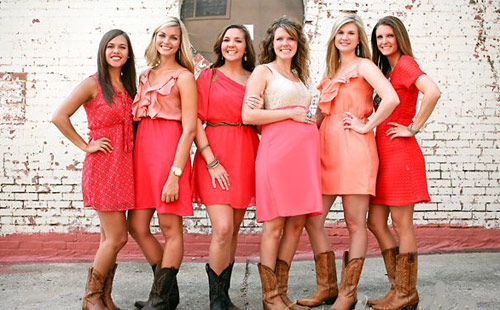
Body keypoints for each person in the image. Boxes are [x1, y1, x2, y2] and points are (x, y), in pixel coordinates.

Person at [296, 14, 399, 310]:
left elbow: (390, 98)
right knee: (313, 219)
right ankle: (327, 287)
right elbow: (318, 115)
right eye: (340, 32)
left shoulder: (364, 65)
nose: (345, 37)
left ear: (358, 38)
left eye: (350, 33)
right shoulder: (331, 71)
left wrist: (367, 125)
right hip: (325, 149)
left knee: (355, 223)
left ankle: (347, 293)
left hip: (355, 149)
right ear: (333, 37)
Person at [52, 29, 136, 310]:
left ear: (128, 54)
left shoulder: (129, 86)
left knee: (107, 238)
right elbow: (59, 116)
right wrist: (85, 145)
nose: (116, 51)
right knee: (118, 237)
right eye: (110, 46)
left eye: (122, 47)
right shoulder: (93, 84)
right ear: (103, 51)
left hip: (125, 168)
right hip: (103, 168)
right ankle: (90, 298)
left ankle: (104, 296)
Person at [242, 16, 322, 310]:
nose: (285, 43)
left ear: (297, 43)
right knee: (274, 225)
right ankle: (269, 296)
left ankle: (281, 290)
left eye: (290, 38)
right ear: (271, 44)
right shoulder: (263, 72)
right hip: (277, 155)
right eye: (279, 39)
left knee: (297, 223)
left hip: (303, 159)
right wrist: (289, 114)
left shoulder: (299, 77)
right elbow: (248, 116)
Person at [366, 16, 441, 310]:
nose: (384, 42)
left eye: (389, 36)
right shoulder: (387, 69)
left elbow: (432, 91)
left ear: (399, 37)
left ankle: (406, 292)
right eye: (379, 37)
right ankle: (399, 288)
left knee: (401, 223)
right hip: (382, 154)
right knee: (374, 221)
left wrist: (413, 128)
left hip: (400, 154)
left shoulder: (406, 64)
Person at [128, 17, 197, 310]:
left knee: (170, 229)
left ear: (181, 43)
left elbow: (190, 129)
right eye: (162, 36)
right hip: (142, 157)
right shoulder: (144, 76)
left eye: (173, 37)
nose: (166, 42)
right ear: (155, 38)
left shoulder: (184, 77)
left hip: (170, 156)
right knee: (137, 225)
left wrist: (175, 173)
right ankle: (167, 294)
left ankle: (158, 300)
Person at [192, 24, 259, 310]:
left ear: (246, 47)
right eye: (227, 40)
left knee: (233, 230)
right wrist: (211, 161)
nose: (232, 45)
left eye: (238, 40)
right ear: (220, 45)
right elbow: (194, 120)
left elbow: (261, 117)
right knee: (222, 228)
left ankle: (224, 296)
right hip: (214, 153)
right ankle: (216, 301)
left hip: (246, 152)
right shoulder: (208, 76)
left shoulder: (256, 77)